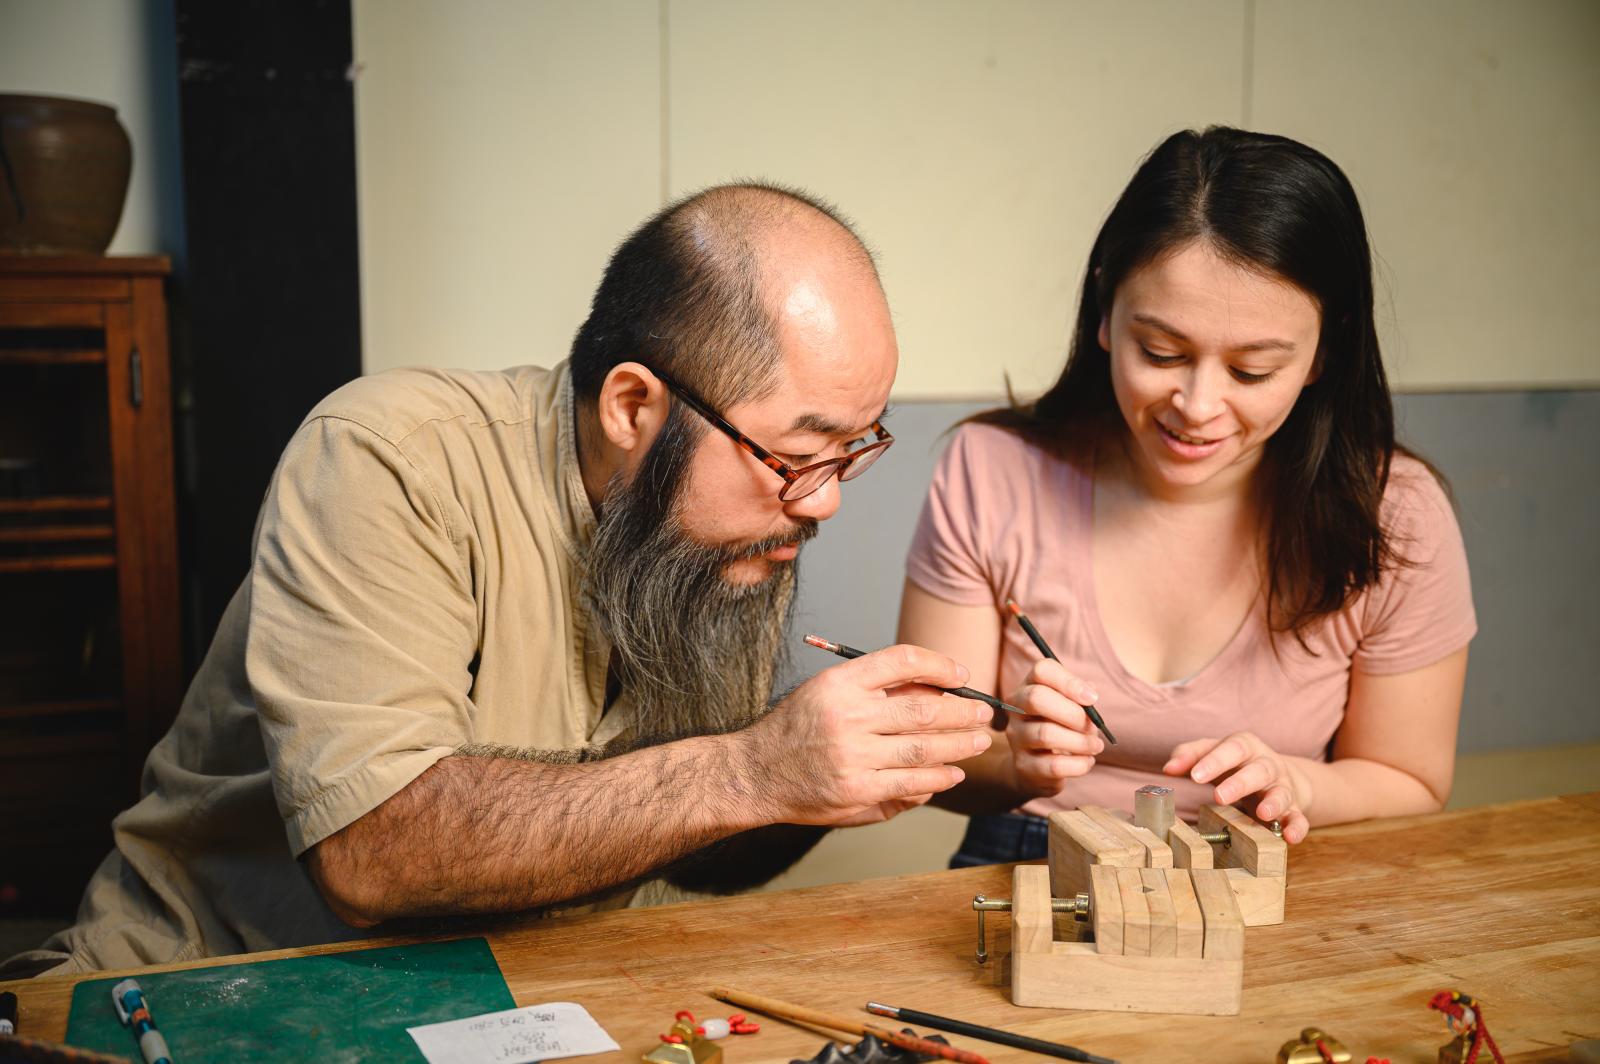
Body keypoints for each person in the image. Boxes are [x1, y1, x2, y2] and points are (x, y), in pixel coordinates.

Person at [5, 183, 994, 977]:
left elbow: (685, 830)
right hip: (220, 987)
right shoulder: (389, 457)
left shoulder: (730, 522)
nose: (822, 503)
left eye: (852, 450)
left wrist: (872, 767)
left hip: (522, 990)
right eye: (797, 455)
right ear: (633, 406)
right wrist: (754, 767)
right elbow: (371, 852)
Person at [897, 127, 1475, 866]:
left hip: (1262, 856)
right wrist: (1015, 763)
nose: (1197, 406)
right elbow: (940, 757)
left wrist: (1298, 785)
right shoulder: (992, 470)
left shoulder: (1394, 514)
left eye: (1253, 371)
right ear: (1106, 311)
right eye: (1162, 353)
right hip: (1033, 844)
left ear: (1324, 354)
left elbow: (1411, 780)